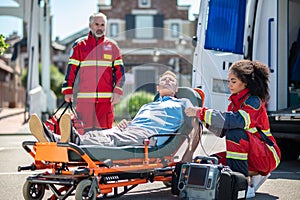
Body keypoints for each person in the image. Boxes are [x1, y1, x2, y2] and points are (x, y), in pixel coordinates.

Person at [185, 60, 281, 198]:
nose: (229, 85)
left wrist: (201, 112)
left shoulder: (253, 101)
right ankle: (227, 185)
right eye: (229, 81)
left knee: (236, 133)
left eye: (233, 81)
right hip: (254, 154)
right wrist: (203, 119)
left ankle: (242, 185)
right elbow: (222, 131)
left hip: (267, 155)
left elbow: (236, 122)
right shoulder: (235, 103)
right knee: (209, 162)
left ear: (245, 82)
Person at [31, 71, 195, 148]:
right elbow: (138, 121)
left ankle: (72, 140)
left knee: (112, 139)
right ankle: (55, 137)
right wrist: (128, 123)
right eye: (164, 79)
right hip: (134, 129)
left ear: (175, 89)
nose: (167, 80)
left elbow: (196, 121)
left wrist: (190, 152)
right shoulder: (148, 105)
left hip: (151, 135)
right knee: (102, 133)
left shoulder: (182, 102)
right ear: (158, 87)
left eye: (171, 80)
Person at [61, 12, 125, 131]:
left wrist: (117, 91)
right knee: (83, 133)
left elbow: (120, 72)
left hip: (105, 103)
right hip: (85, 101)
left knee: (105, 135)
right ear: (90, 25)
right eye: (97, 24)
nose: (100, 28)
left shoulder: (113, 46)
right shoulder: (79, 45)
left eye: (102, 25)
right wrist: (68, 90)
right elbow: (71, 70)